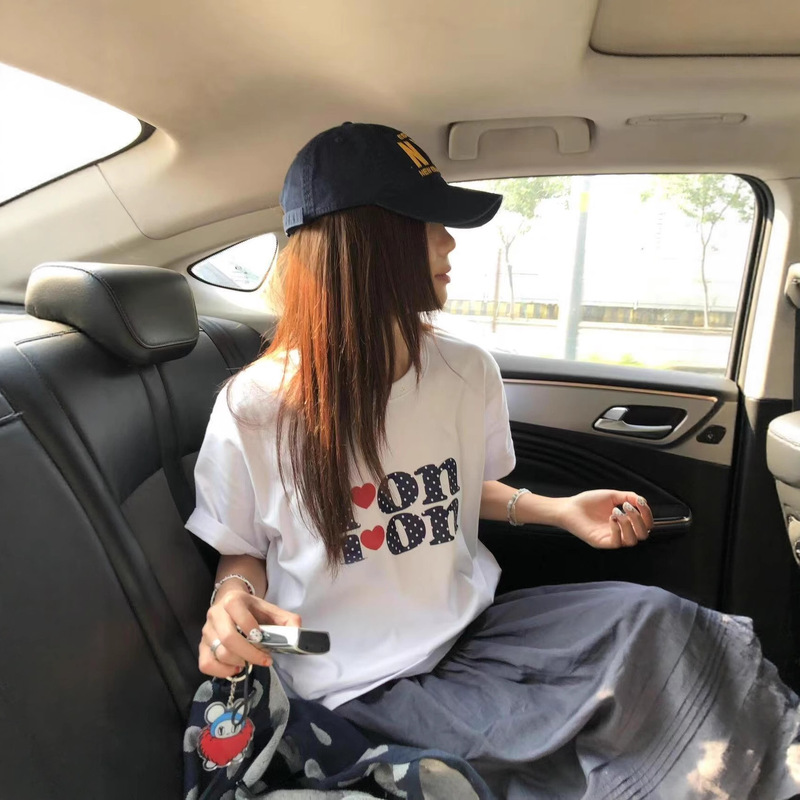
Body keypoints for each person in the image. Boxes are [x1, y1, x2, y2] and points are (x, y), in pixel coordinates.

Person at [186, 122, 800, 799]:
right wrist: (231, 600)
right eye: (426, 224)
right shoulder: (257, 406)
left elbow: (453, 487)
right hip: (344, 673)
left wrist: (558, 511)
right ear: (361, 245)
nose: (449, 243)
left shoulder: (465, 368)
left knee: (658, 622)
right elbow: (241, 548)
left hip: (469, 632)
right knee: (549, 767)